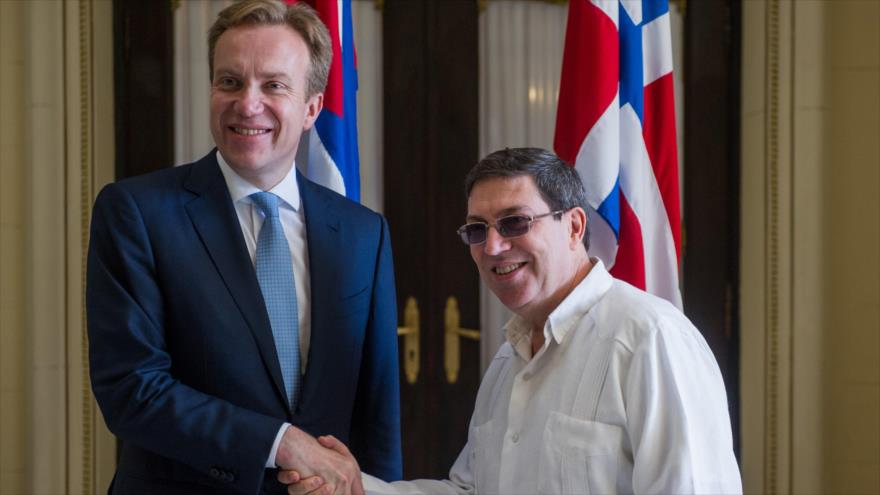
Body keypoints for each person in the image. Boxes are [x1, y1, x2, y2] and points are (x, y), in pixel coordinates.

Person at [287, 147, 742, 495]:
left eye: (515, 223)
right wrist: (357, 486)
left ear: (575, 227)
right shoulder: (511, 358)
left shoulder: (650, 339)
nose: (493, 248)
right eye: (478, 230)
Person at [86, 1, 400, 494]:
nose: (247, 104)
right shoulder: (137, 213)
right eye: (230, 82)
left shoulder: (364, 234)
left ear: (312, 108)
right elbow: (132, 390)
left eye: (274, 85)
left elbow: (377, 412)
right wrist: (281, 443)